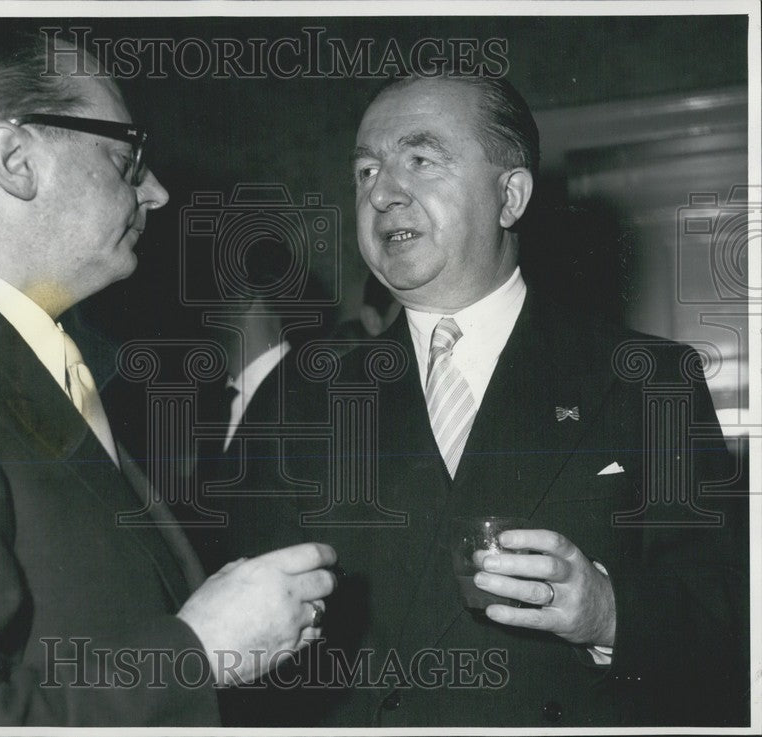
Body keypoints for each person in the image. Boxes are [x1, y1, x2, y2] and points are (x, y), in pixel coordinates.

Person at [0, 31, 336, 727]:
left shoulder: (8, 358)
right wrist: (197, 650)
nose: (157, 191)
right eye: (127, 157)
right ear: (16, 160)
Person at [260, 73, 748, 727]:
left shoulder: (647, 379)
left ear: (510, 195)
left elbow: (727, 620)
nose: (382, 192)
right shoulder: (302, 392)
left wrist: (606, 610)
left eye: (420, 159)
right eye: (366, 170)